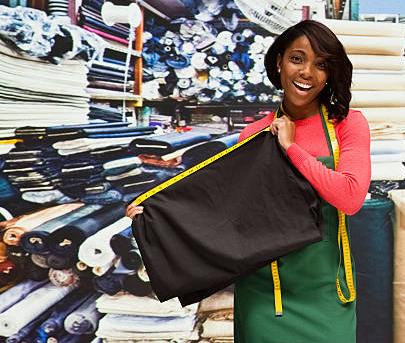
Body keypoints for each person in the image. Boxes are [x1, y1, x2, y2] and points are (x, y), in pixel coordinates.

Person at [126, 19, 371, 343]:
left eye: (321, 64)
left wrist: (291, 148)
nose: (307, 73)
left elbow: (350, 198)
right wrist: (158, 215)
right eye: (297, 59)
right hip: (265, 297)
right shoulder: (253, 134)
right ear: (279, 61)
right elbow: (226, 215)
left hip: (326, 292)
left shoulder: (348, 124)